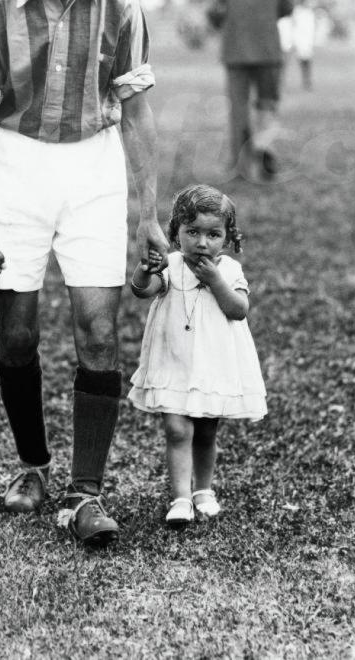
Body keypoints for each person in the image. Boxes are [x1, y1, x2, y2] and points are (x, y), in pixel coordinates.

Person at [0, 0, 169, 546]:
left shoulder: (120, 4)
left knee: (98, 330)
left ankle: (85, 491)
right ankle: (31, 466)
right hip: (16, 166)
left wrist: (147, 212)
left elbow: (135, 116)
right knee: (16, 333)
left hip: (93, 166)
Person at [128, 184, 267, 526]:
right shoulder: (172, 266)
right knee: (177, 429)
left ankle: (203, 489)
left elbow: (238, 310)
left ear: (227, 237)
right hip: (174, 361)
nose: (202, 243)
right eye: (192, 232)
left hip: (212, 365)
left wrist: (216, 281)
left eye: (213, 234)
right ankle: (180, 497)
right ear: (176, 232)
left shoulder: (229, 270)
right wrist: (146, 269)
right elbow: (142, 291)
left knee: (206, 431)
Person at [207, 0, 293, 180]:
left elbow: (215, 12)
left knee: (239, 109)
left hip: (235, 51)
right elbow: (287, 8)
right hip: (269, 49)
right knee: (267, 105)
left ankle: (241, 166)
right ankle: (266, 158)